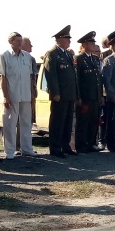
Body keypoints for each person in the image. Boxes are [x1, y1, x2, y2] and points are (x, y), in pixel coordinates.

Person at [0, 31, 37, 159]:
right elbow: (3, 77)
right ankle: (9, 151)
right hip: (12, 94)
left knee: (26, 123)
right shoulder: (4, 56)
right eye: (17, 41)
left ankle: (27, 149)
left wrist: (32, 93)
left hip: (25, 94)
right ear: (10, 42)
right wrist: (6, 96)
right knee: (10, 123)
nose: (20, 43)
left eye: (21, 41)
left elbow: (31, 76)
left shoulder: (27, 56)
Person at [42, 26, 78, 158]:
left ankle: (65, 146)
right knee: (58, 122)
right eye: (67, 38)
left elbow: (72, 76)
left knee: (67, 123)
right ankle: (55, 148)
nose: (69, 41)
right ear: (60, 40)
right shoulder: (52, 54)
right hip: (60, 95)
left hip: (69, 94)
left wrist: (75, 93)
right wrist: (55, 92)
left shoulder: (67, 54)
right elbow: (51, 75)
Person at [75, 31, 104, 153]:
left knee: (94, 121)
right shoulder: (79, 59)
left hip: (95, 96)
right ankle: (81, 145)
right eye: (91, 43)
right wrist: (78, 97)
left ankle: (91, 143)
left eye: (93, 43)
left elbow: (99, 79)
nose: (93, 45)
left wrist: (100, 95)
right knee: (83, 121)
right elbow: (77, 79)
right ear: (85, 44)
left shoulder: (95, 59)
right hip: (85, 97)